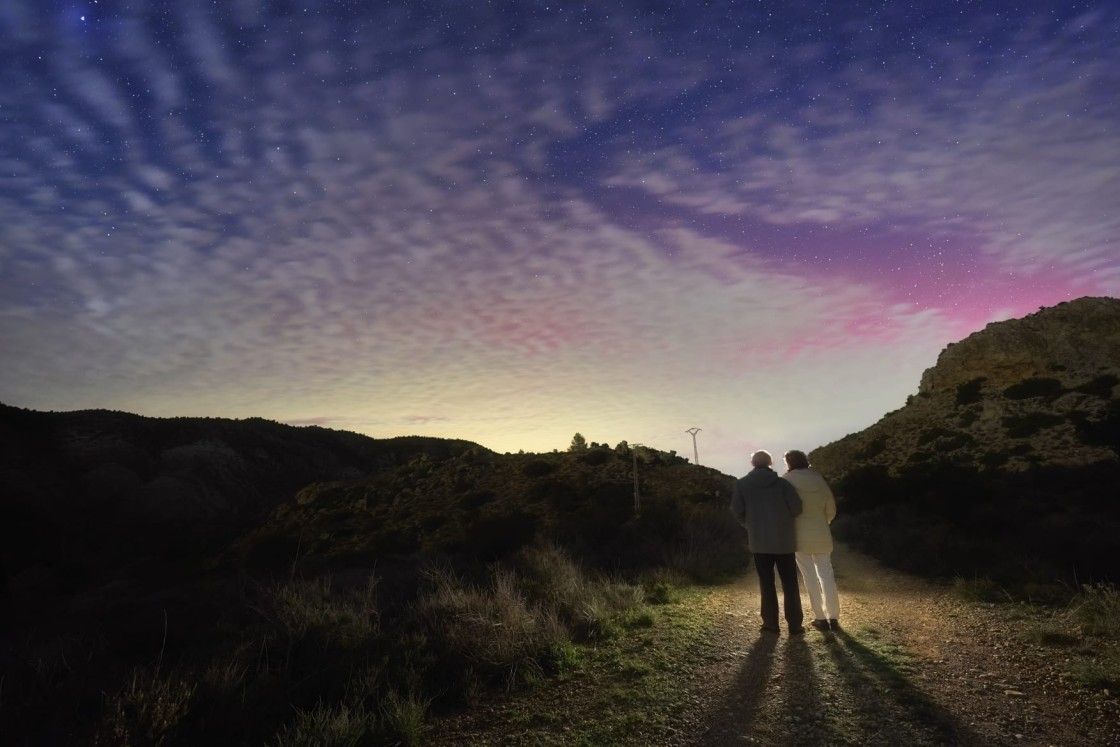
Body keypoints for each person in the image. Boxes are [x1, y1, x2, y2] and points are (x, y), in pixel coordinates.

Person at [730, 450, 804, 635]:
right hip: (784, 542)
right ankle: (795, 625)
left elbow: (737, 511)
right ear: (770, 463)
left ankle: (771, 624)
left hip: (759, 542)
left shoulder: (742, 485)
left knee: (766, 583)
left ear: (752, 463)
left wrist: (751, 526)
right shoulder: (783, 484)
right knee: (790, 583)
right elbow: (797, 508)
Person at [783, 449, 840, 632]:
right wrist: (824, 522)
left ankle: (820, 618)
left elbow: (785, 508)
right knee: (826, 575)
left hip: (799, 535)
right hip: (821, 533)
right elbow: (831, 509)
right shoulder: (819, 480)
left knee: (809, 577)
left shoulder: (786, 480)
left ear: (789, 463)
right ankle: (834, 617)